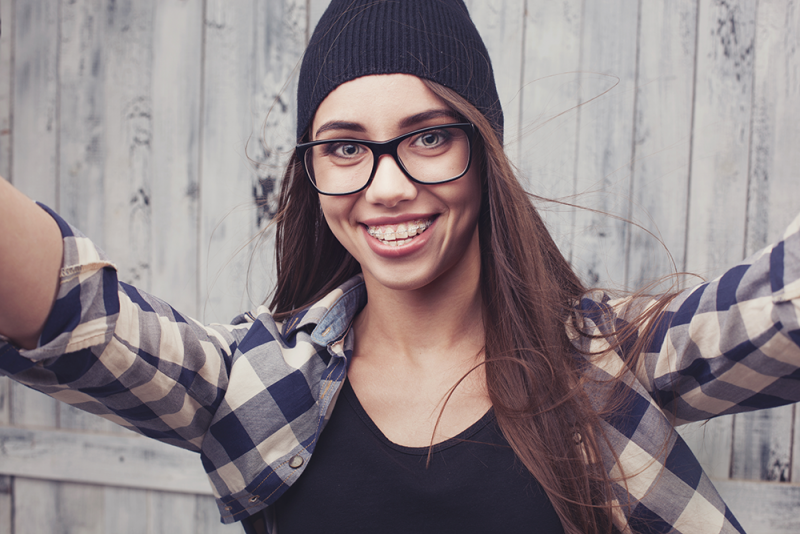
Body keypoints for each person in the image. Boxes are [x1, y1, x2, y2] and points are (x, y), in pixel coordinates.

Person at [0, 1, 799, 533]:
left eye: (427, 137)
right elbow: (75, 315)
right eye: (345, 147)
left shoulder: (613, 364)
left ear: (483, 152)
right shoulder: (254, 385)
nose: (386, 187)